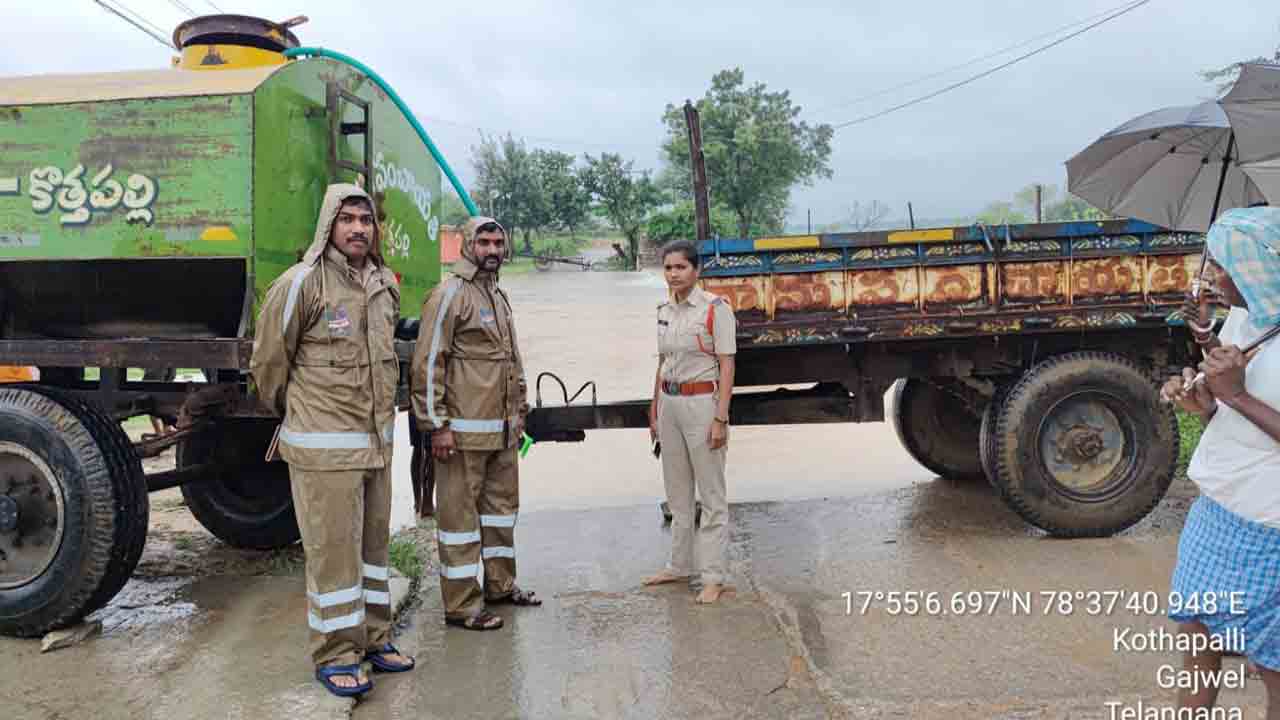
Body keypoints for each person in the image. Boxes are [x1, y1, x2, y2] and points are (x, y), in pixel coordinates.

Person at [251, 183, 414, 698]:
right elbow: (269, 364)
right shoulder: (302, 284)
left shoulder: (383, 285)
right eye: (348, 219)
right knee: (332, 557)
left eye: (366, 220)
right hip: (325, 451)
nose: (359, 228)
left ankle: (373, 638)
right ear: (329, 225)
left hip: (376, 449)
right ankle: (336, 654)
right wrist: (296, 412)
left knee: (371, 551)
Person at [1160, 206, 1280, 715]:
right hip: (1216, 512)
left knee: (1273, 669)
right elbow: (1225, 418)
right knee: (1199, 641)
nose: (1212, 276)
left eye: (1226, 264)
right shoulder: (1248, 317)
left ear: (1262, 267)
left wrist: (1234, 397)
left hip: (1270, 527)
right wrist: (1205, 403)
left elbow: (1241, 401)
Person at [411, 216, 538, 631]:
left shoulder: (498, 296)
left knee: (501, 513)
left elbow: (511, 360)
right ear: (467, 245)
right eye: (483, 242)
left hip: (502, 433)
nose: (492, 250)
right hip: (461, 436)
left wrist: (519, 411)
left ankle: (500, 586)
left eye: (498, 243)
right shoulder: (450, 294)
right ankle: (463, 606)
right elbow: (429, 363)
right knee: (460, 523)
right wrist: (436, 426)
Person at [642, 239, 737, 605]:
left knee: (711, 496)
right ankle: (678, 566)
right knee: (677, 492)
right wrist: (654, 411)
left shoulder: (716, 309)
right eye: (667, 268)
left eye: (680, 267)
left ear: (696, 271)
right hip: (670, 404)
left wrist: (720, 419)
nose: (673, 274)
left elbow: (727, 365)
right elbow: (661, 363)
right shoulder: (663, 310)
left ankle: (714, 576)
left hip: (702, 403)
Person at [409, 412, 435, 518]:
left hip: (431, 403)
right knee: (419, 447)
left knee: (430, 448)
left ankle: (427, 500)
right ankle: (419, 501)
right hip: (415, 403)